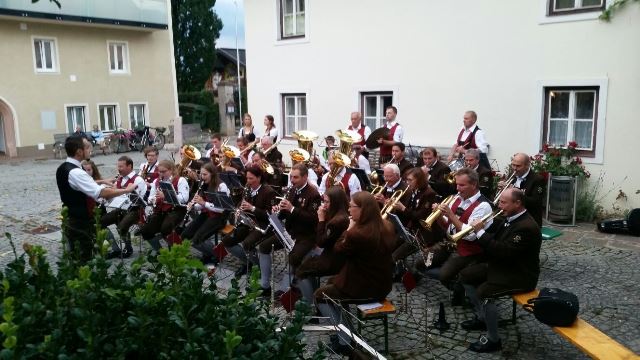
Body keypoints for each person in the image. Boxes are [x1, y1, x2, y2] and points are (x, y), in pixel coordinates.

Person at [459, 188, 542, 352]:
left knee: (484, 292)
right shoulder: (509, 217)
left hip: (520, 274)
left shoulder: (526, 227)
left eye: (503, 202)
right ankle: (482, 317)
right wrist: (483, 229)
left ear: (518, 203)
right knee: (465, 275)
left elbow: (504, 251)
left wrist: (480, 232)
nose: (499, 205)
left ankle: (493, 340)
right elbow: (494, 241)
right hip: (502, 266)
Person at [314, 191, 395, 356]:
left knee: (320, 295)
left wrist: (348, 229)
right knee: (332, 282)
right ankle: (349, 331)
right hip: (381, 282)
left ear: (363, 210)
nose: (349, 210)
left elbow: (338, 249)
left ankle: (345, 340)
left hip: (366, 288)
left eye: (352, 207)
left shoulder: (357, 233)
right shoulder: (386, 225)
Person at [56, 136, 136, 262]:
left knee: (77, 257)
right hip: (79, 222)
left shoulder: (64, 168)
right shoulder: (76, 172)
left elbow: (86, 185)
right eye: (87, 147)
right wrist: (126, 190)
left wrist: (103, 181)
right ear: (79, 151)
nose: (90, 150)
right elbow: (101, 192)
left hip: (72, 218)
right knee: (83, 259)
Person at [257, 163, 322, 296]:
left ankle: (288, 290)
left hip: (306, 235)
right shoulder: (292, 190)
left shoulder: (313, 194)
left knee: (294, 257)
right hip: (290, 232)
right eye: (291, 177)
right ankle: (265, 285)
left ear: (305, 177)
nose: (292, 180)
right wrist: (278, 211)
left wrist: (292, 208)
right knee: (263, 247)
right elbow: (286, 213)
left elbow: (313, 219)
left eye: (296, 177)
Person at [431, 168, 493, 295]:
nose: (457, 188)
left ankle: (460, 289)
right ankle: (455, 279)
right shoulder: (456, 198)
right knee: (423, 261)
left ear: (474, 185)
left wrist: (451, 215)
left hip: (468, 250)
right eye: (457, 184)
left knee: (444, 275)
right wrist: (437, 216)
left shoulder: (483, 206)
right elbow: (446, 225)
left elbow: (470, 235)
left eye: (462, 185)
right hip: (449, 243)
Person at [296, 186, 350, 303]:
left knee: (301, 270)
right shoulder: (342, 214)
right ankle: (314, 296)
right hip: (337, 257)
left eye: (326, 202)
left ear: (335, 202)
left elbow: (321, 242)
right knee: (307, 262)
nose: (324, 205)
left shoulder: (336, 222)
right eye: (323, 201)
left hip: (332, 261)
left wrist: (321, 219)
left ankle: (311, 303)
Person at [223, 165, 277, 275]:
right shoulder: (248, 189)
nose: (248, 181)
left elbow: (270, 216)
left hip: (262, 225)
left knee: (247, 243)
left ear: (259, 178)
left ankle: (260, 269)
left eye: (251, 178)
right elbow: (241, 203)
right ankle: (248, 262)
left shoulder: (268, 192)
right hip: (247, 223)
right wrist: (238, 210)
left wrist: (252, 208)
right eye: (247, 178)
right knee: (227, 240)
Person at [181, 162, 231, 264]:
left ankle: (218, 254)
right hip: (206, 214)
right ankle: (209, 253)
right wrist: (194, 206)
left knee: (197, 239)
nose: (202, 177)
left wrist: (204, 203)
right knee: (185, 234)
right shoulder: (203, 184)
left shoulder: (221, 186)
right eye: (201, 174)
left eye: (205, 174)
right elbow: (201, 204)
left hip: (219, 217)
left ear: (212, 174)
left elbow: (221, 209)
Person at [100, 156, 148, 259]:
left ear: (129, 166)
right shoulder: (120, 179)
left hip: (135, 210)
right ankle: (116, 248)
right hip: (121, 208)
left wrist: (118, 193)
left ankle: (128, 247)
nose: (119, 169)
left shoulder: (137, 180)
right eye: (118, 166)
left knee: (121, 227)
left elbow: (136, 199)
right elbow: (116, 193)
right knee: (101, 221)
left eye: (121, 166)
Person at [390, 168, 438, 265]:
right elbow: (408, 213)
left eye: (410, 180)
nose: (407, 183)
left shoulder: (429, 194)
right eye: (406, 180)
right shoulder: (412, 191)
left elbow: (420, 216)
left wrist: (403, 208)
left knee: (394, 256)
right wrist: (395, 207)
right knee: (388, 247)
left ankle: (408, 275)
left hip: (421, 234)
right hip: (409, 230)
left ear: (419, 180)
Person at [139, 160, 189, 251]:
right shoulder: (156, 181)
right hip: (161, 210)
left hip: (177, 210)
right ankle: (160, 252)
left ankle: (177, 251)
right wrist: (153, 199)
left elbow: (184, 198)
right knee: (145, 231)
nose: (161, 174)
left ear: (171, 170)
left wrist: (166, 196)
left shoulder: (180, 180)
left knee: (166, 228)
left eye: (163, 171)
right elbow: (150, 197)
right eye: (159, 171)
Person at [499, 153, 545, 227]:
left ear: (527, 165)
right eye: (513, 165)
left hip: (529, 220)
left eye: (518, 166)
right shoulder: (513, 174)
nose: (514, 168)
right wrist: (504, 191)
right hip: (511, 216)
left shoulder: (537, 179)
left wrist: (515, 191)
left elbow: (536, 202)